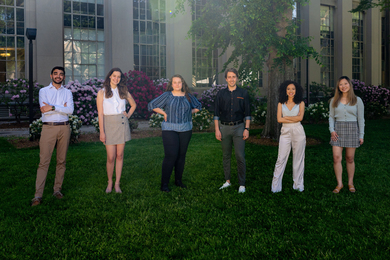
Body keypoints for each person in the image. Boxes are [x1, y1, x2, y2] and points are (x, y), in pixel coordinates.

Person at [148, 74, 201, 192]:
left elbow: (198, 106)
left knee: (181, 156)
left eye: (179, 82)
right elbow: (152, 105)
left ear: (183, 84)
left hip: (186, 129)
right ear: (171, 84)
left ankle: (178, 181)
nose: (177, 84)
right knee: (171, 156)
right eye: (175, 82)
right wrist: (164, 114)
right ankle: (164, 184)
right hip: (170, 129)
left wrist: (188, 113)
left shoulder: (188, 96)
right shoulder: (167, 95)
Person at [31, 66, 74, 206]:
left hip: (64, 128)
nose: (58, 76)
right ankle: (38, 196)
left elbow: (70, 110)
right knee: (44, 162)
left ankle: (57, 190)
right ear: (51, 76)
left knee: (61, 161)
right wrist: (61, 107)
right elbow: (44, 111)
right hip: (48, 128)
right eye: (55, 74)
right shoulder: (43, 91)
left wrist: (53, 107)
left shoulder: (67, 92)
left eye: (61, 74)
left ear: (64, 77)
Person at [96, 68, 137, 194]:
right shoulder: (102, 92)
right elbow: (100, 114)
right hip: (108, 125)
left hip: (121, 123)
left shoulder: (123, 91)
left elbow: (133, 104)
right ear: (109, 76)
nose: (116, 79)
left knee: (119, 155)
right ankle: (109, 182)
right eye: (114, 76)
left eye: (118, 77)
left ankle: (117, 184)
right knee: (110, 157)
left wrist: (128, 115)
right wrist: (102, 132)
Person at [214, 68, 251, 193]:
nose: (231, 79)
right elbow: (216, 114)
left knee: (240, 156)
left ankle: (242, 184)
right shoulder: (220, 94)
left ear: (237, 78)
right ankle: (227, 181)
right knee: (226, 156)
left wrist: (246, 129)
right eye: (229, 77)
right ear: (226, 79)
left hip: (239, 127)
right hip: (224, 128)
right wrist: (217, 130)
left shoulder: (243, 93)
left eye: (234, 76)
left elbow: (247, 113)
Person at [329, 76, 364, 193]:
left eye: (345, 84)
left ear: (349, 85)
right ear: (338, 87)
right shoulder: (334, 100)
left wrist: (361, 135)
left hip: (353, 129)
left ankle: (350, 183)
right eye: (340, 84)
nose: (343, 86)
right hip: (337, 130)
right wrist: (332, 130)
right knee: (336, 158)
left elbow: (361, 119)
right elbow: (331, 117)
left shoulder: (357, 100)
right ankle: (339, 184)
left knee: (350, 158)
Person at [271, 80, 306, 193]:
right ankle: (275, 187)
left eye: (293, 89)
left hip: (298, 131)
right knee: (281, 159)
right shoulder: (281, 103)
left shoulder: (300, 103)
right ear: (285, 91)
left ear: (296, 91)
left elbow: (300, 119)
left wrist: (286, 118)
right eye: (288, 89)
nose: (291, 91)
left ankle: (298, 185)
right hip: (285, 132)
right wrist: (294, 117)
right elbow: (279, 119)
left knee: (298, 159)